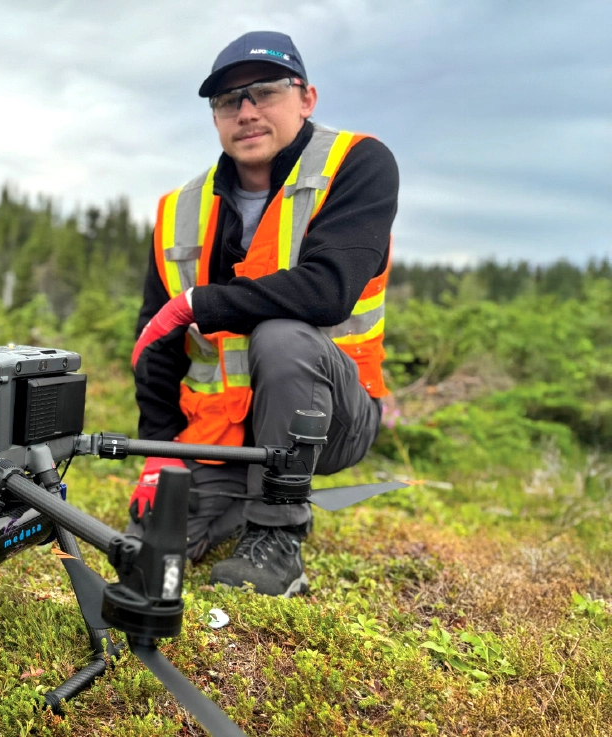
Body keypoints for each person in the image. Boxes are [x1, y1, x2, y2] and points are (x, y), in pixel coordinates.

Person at [129, 32, 399, 596]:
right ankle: (244, 496)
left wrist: (203, 303)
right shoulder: (179, 209)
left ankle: (278, 537)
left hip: (334, 420)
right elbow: (155, 342)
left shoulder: (358, 164)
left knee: (281, 337)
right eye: (230, 101)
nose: (247, 112)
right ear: (216, 118)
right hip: (224, 430)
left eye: (265, 92)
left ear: (306, 98)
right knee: (149, 538)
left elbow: (328, 292)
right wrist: (159, 455)